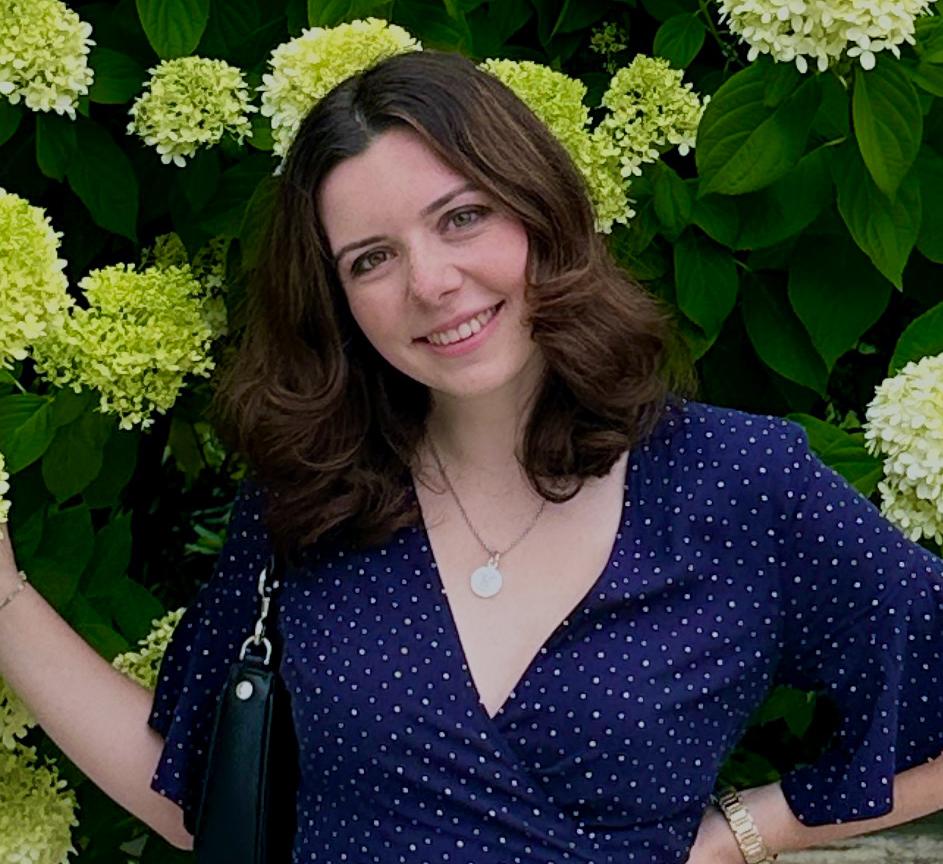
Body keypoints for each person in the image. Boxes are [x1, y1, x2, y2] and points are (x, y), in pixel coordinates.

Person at [2, 49, 943, 864]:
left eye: (461, 217)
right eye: (370, 259)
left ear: (539, 211)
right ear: (338, 302)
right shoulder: (312, 497)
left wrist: (746, 830)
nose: (430, 282)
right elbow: (197, 800)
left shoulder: (738, 482)